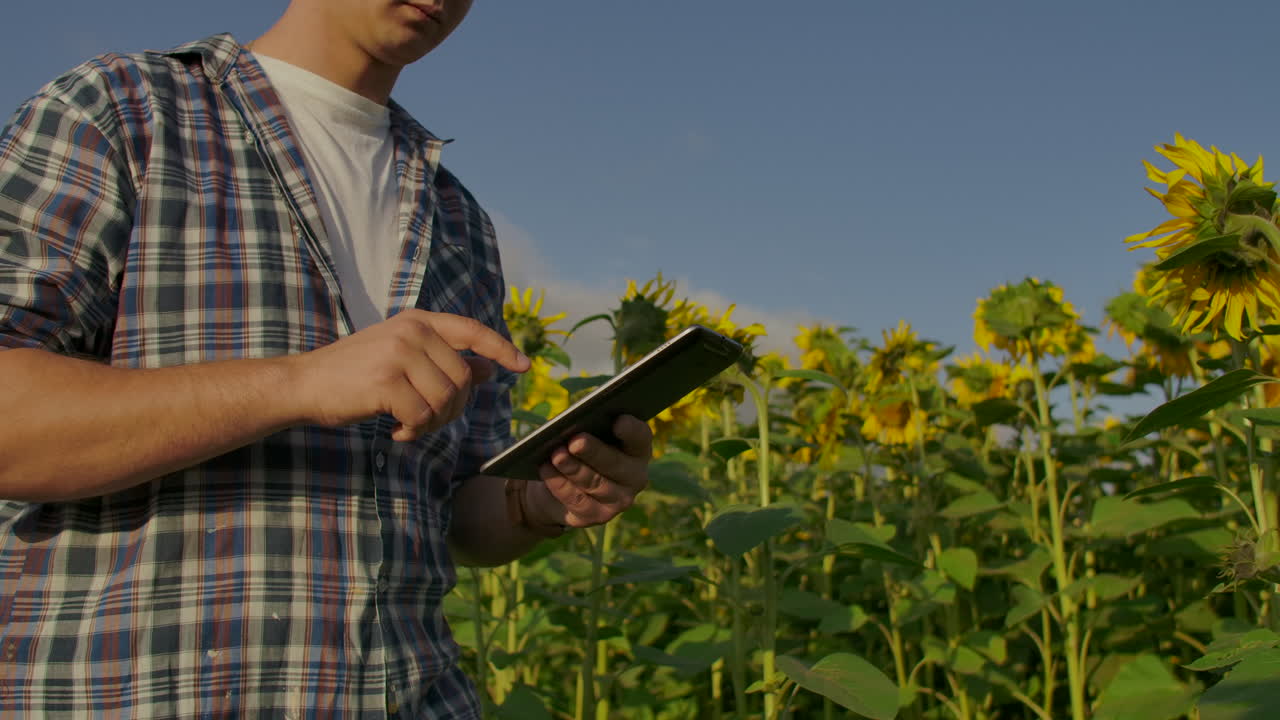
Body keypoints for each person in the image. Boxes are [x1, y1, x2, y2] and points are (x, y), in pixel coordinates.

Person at [0, 1, 653, 717]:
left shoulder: (459, 219)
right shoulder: (124, 112)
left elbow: (457, 517)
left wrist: (536, 503)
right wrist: (299, 383)